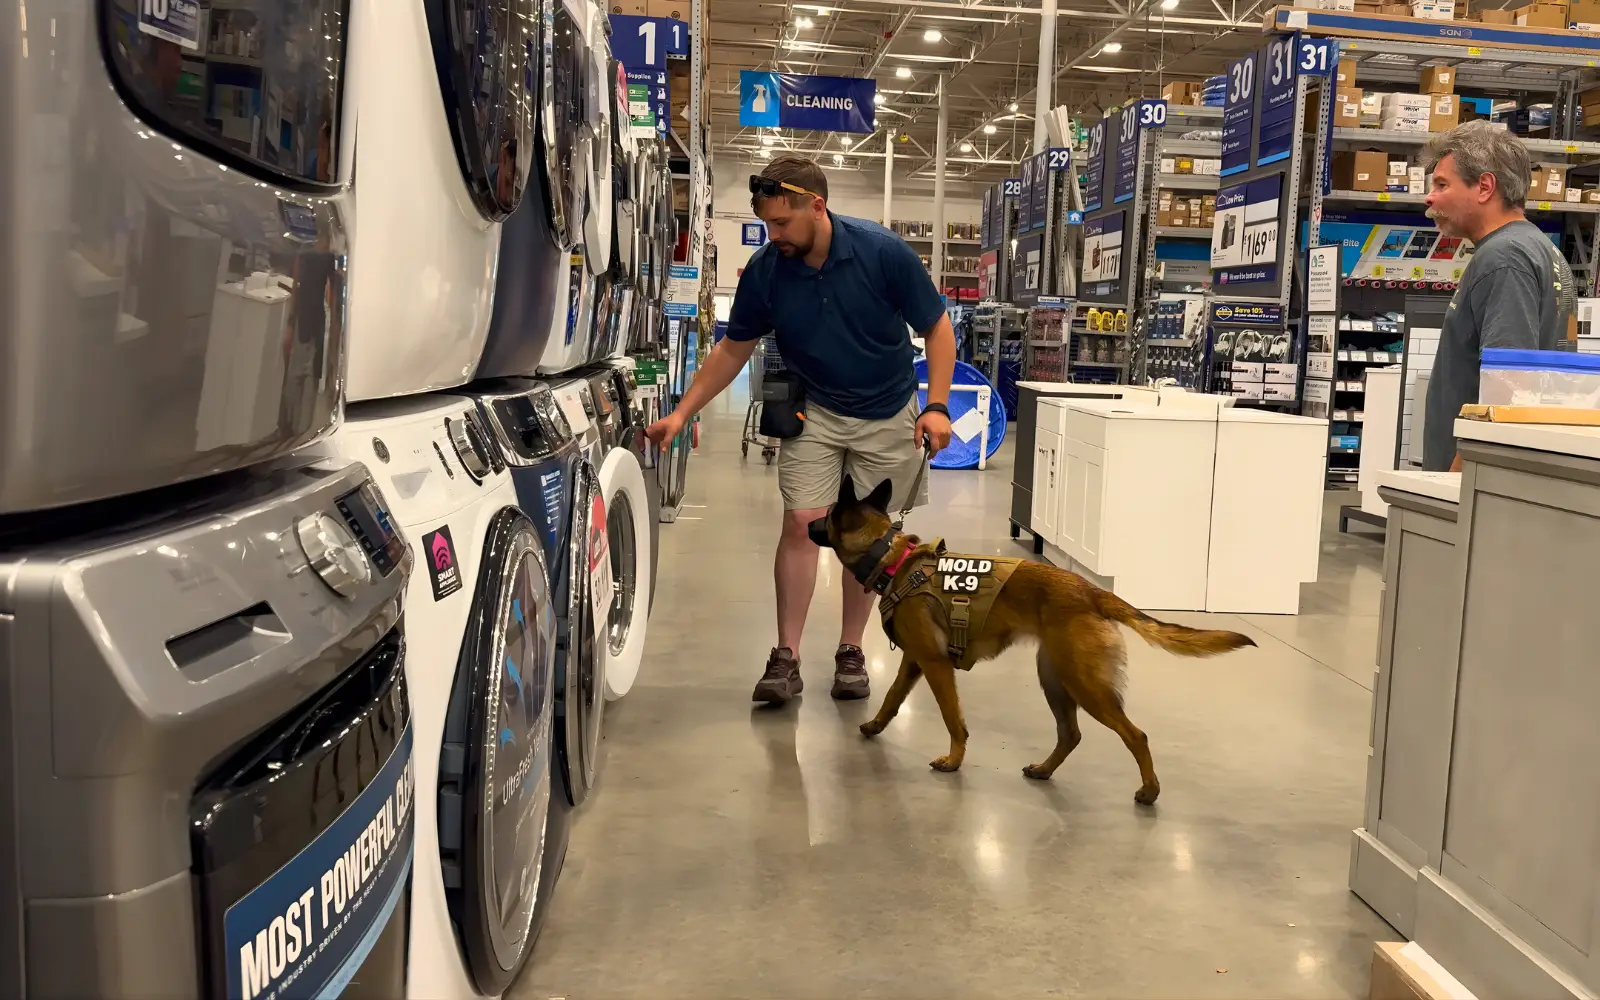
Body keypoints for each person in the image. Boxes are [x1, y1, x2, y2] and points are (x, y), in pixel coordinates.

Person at [644, 155, 957, 705]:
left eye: (783, 223)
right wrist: (681, 411)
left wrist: (937, 406)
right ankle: (786, 657)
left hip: (888, 411)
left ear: (818, 206)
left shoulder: (881, 252)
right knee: (800, 522)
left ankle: (851, 651)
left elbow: (937, 327)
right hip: (816, 410)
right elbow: (732, 349)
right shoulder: (768, 270)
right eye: (767, 224)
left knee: (868, 537)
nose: (775, 235)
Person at [1421, 120, 1575, 472]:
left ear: (1485, 187)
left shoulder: (1504, 257)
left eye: (1442, 184)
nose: (1429, 197)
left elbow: (1506, 385)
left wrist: (1457, 481)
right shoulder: (1541, 249)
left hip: (1478, 482)